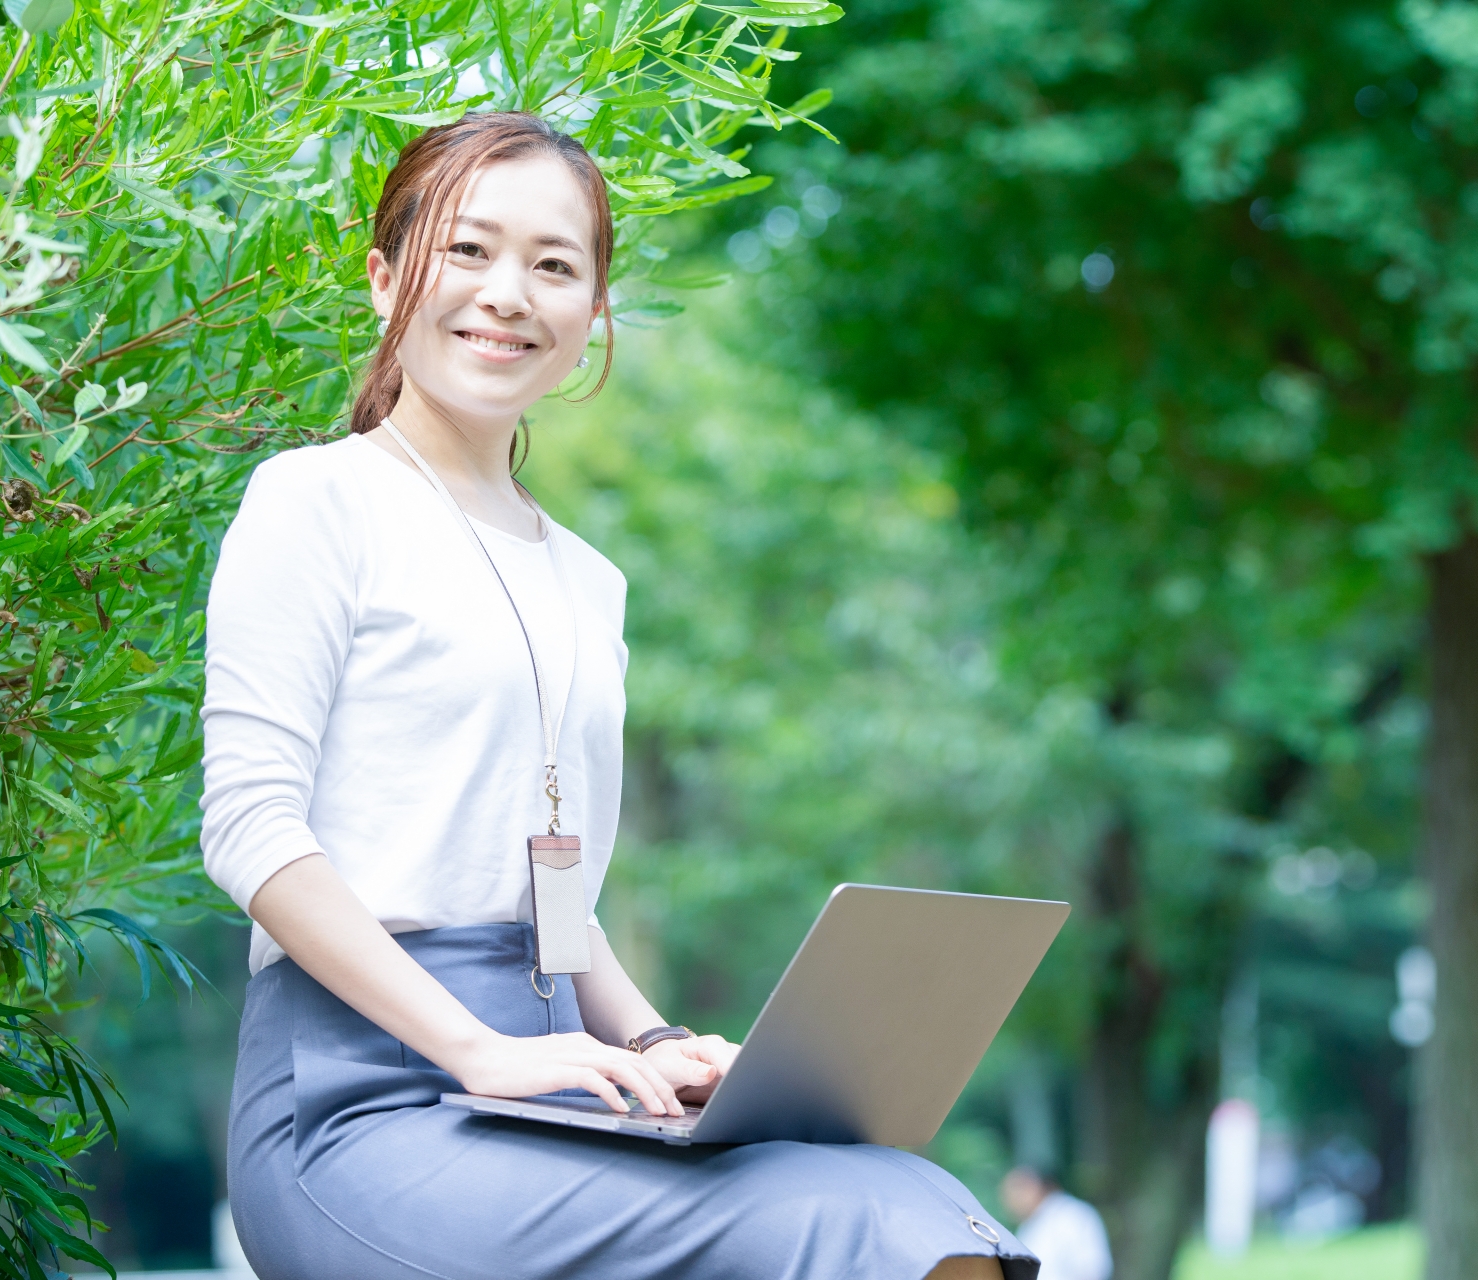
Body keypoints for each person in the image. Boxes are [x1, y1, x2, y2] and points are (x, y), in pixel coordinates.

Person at [203, 111, 1033, 1280]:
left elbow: (552, 894)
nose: (508, 293)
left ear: (594, 314)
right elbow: (250, 832)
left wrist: (654, 1038)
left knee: (914, 1196)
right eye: (468, 250)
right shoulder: (314, 501)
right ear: (387, 277)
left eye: (554, 266)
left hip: (555, 1083)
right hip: (359, 1105)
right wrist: (475, 1046)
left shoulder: (589, 581)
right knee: (841, 1226)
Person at [1001, 1167, 1111, 1280]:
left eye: (1012, 1192)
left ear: (1032, 1187)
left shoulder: (1073, 1215)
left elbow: (1092, 1270)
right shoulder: (1028, 1226)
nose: (1008, 1203)